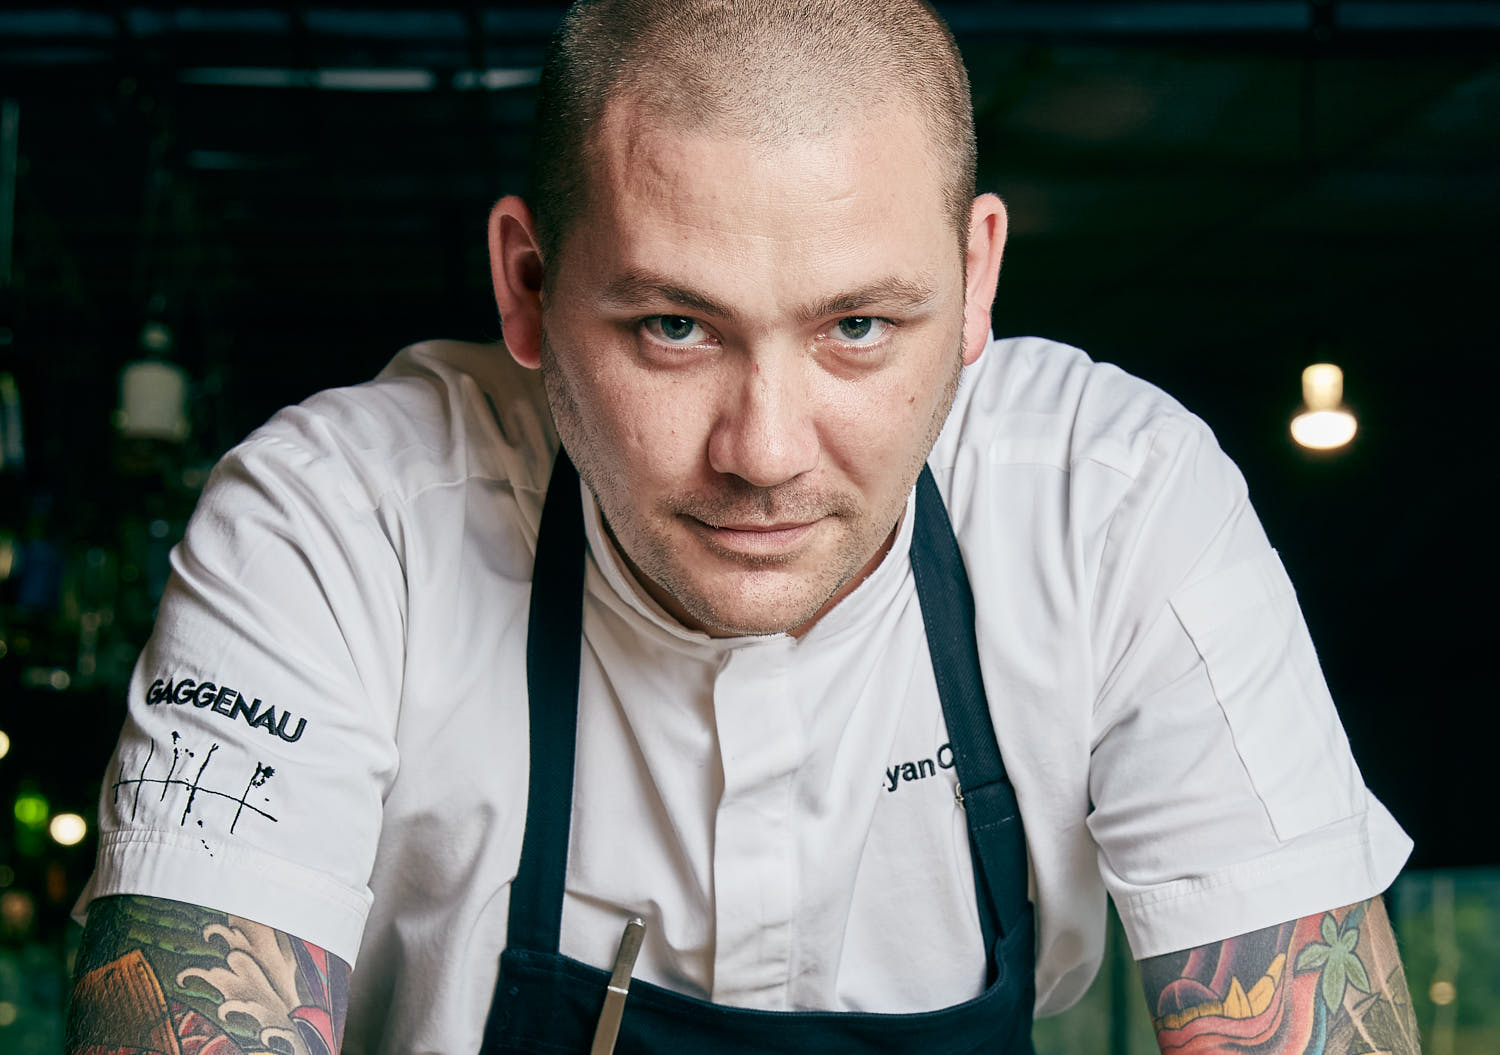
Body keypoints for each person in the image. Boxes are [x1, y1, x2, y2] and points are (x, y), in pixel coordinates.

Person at [66, 1, 1417, 1052]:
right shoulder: (336, 526)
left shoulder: (1114, 507)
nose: (764, 451)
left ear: (976, 277)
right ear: (528, 287)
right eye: (673, 327)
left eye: (860, 329)